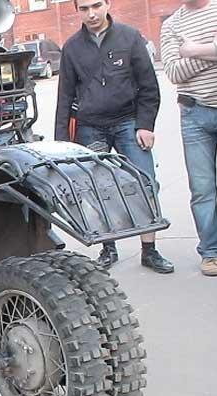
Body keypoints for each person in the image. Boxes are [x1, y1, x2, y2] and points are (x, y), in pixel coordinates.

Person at [55, 0, 174, 274]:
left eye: (96, 5)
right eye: (84, 8)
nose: (91, 14)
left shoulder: (130, 37)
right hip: (90, 127)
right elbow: (64, 98)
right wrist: (61, 143)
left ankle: (149, 250)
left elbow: (149, 86)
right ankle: (108, 248)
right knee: (96, 190)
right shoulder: (71, 48)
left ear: (108, 4)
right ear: (77, 10)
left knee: (145, 183)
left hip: (128, 123)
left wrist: (145, 125)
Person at [161, 0, 217, 277]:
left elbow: (183, 62)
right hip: (194, 115)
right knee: (202, 189)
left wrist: (193, 50)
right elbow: (174, 72)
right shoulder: (172, 24)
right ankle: (211, 253)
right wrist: (214, 49)